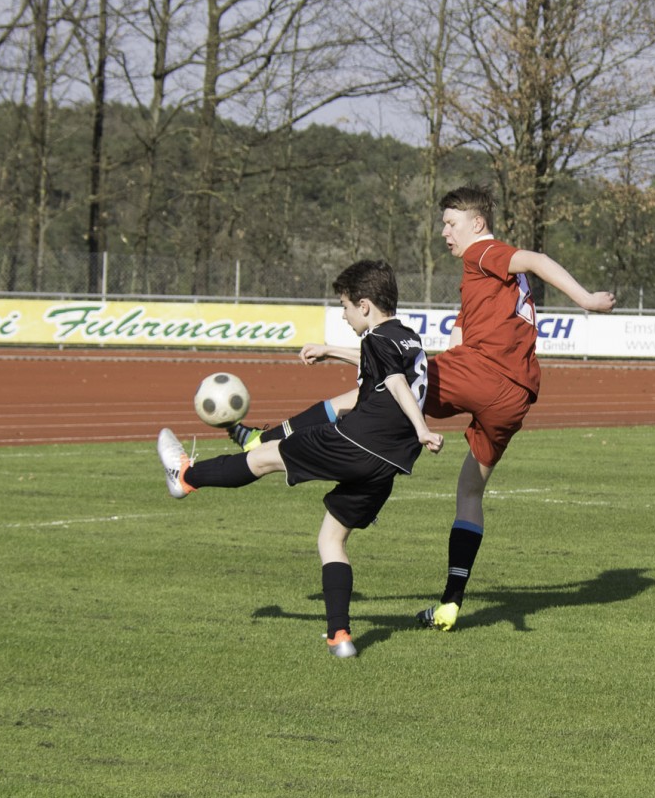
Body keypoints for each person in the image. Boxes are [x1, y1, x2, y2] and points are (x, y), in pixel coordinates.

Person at [229, 185, 616, 633]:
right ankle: (450, 604)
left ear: (477, 223)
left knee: (373, 391)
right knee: (469, 490)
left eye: (451, 223)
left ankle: (263, 439)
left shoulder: (483, 253)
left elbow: (534, 259)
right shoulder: (484, 285)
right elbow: (447, 344)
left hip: (484, 372)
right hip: (517, 394)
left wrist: (586, 300)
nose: (445, 233)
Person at [157, 259, 444, 658]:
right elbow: (382, 365)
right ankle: (340, 637)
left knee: (262, 458)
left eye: (345, 307)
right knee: (331, 539)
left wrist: (422, 428)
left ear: (364, 306)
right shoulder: (407, 338)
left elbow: (394, 380)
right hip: (386, 464)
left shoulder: (377, 340)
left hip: (353, 442)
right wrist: (330, 351)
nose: (343, 315)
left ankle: (186, 476)